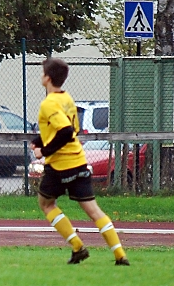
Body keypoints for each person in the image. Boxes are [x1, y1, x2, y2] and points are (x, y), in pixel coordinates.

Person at [31, 57, 130, 266]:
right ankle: (120, 255)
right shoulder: (66, 98)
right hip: (79, 161)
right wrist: (39, 139)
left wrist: (43, 151)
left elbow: (66, 132)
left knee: (46, 204)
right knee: (94, 211)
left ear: (47, 78)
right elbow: (70, 129)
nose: (41, 76)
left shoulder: (48, 103)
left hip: (59, 165)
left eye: (42, 73)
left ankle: (77, 246)